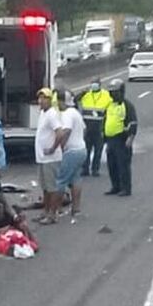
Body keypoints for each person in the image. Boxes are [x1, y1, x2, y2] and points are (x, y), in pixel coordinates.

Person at [34, 87, 66, 224]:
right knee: (45, 187)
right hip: (42, 157)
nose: (41, 101)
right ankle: (46, 212)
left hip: (50, 158)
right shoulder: (43, 113)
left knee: (52, 187)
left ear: (49, 100)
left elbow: (60, 133)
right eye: (39, 98)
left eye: (44, 98)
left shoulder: (52, 114)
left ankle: (52, 214)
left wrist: (53, 148)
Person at [103, 79, 139, 197]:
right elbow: (106, 121)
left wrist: (131, 137)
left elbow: (133, 122)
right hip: (110, 140)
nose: (112, 95)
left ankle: (126, 188)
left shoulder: (127, 105)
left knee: (123, 165)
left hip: (122, 140)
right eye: (111, 92)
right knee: (112, 165)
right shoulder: (109, 105)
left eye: (115, 92)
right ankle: (115, 186)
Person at [55, 91, 88, 219]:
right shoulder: (76, 113)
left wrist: (61, 147)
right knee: (75, 179)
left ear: (62, 101)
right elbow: (84, 129)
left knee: (60, 180)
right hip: (81, 149)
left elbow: (66, 130)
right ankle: (76, 209)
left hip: (71, 152)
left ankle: (56, 209)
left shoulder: (67, 114)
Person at [78, 79, 113, 176]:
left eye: (95, 84)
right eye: (92, 83)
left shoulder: (106, 95)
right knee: (86, 150)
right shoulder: (86, 94)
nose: (93, 86)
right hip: (87, 127)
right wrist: (81, 93)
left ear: (100, 85)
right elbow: (74, 100)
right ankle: (85, 169)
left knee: (98, 150)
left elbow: (111, 107)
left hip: (99, 127)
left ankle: (95, 169)